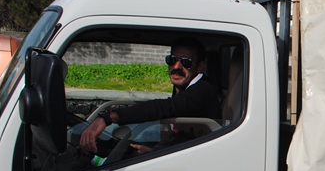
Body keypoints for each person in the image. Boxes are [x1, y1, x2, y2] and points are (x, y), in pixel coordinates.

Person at [80, 37, 222, 154]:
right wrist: (151, 151)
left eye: (186, 62)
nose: (177, 67)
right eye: (172, 60)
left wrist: (109, 117)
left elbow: (166, 107)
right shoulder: (184, 86)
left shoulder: (203, 90)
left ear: (200, 66)